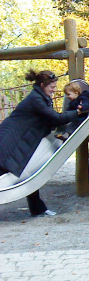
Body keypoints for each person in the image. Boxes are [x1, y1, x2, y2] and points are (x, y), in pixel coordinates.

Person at [0, 69, 82, 216]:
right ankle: (38, 209)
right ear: (43, 85)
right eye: (52, 87)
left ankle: (38, 209)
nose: (54, 90)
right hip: (9, 140)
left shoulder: (42, 97)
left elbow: (51, 121)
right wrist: (77, 112)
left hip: (19, 139)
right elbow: (55, 118)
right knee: (6, 171)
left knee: (30, 172)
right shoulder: (36, 99)